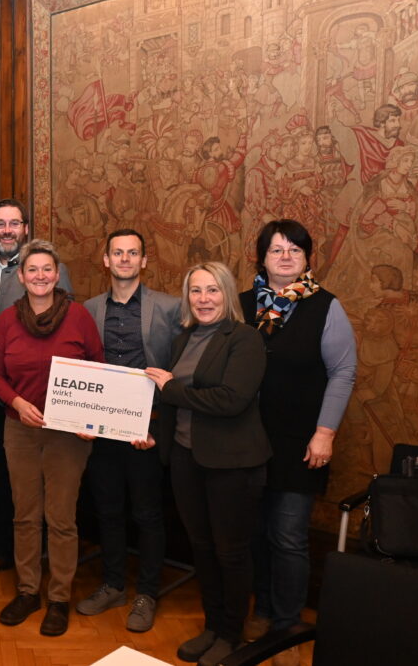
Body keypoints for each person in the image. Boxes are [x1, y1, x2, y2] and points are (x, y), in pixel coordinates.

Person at [239, 220, 356, 666]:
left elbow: (343, 372)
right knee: (253, 531)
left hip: (300, 442)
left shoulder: (327, 307)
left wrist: (325, 433)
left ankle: (286, 620)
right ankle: (262, 608)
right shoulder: (243, 305)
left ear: (308, 257)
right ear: (262, 258)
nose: (285, 257)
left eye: (294, 249)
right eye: (275, 250)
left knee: (287, 535)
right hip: (245, 440)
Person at [144, 261, 269, 666]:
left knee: (230, 552)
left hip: (232, 464)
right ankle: (213, 626)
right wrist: (152, 431)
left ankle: (231, 635)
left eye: (212, 290)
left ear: (227, 294)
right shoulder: (184, 338)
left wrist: (173, 389)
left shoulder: (245, 338)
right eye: (195, 291)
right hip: (186, 458)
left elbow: (232, 400)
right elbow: (170, 399)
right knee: (202, 547)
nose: (203, 299)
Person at [0, 239, 104, 638]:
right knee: (24, 514)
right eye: (32, 270)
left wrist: (88, 417)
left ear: (57, 274)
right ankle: (26, 591)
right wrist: (18, 403)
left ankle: (58, 598)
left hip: (67, 433)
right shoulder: (6, 320)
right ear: (20, 276)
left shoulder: (79, 317)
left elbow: (97, 370)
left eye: (47, 269)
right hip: (19, 428)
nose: (40, 276)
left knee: (60, 517)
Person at [77, 229, 181, 631]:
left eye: (132, 253)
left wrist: (160, 422)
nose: (124, 259)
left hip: (148, 430)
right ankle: (114, 584)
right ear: (105, 260)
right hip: (103, 428)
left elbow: (180, 367)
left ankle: (148, 592)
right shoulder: (88, 309)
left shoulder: (170, 308)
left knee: (148, 512)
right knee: (108, 508)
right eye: (117, 253)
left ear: (144, 260)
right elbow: (82, 365)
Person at [0, 198, 73, 581]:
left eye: (15, 223)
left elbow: (67, 329)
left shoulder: (45, 270)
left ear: (26, 228)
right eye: (0, 224)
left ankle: (42, 554)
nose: (7, 230)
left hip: (36, 396)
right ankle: (1, 550)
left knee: (45, 482)